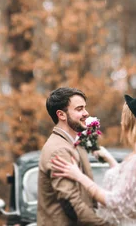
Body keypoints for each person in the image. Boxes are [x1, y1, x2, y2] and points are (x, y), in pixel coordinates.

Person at [51, 94, 136, 226]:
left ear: (133, 124)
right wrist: (109, 159)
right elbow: (129, 187)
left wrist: (78, 176)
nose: (122, 123)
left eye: (125, 119)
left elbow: (113, 201)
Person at [37, 87, 110, 225]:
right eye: (79, 109)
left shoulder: (74, 143)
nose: (86, 113)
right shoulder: (58, 150)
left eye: (85, 108)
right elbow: (71, 204)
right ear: (61, 115)